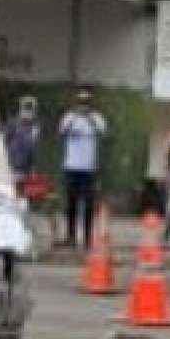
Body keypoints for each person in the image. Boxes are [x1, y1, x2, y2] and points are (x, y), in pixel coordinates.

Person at [56, 89, 110, 249]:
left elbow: (104, 132)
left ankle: (87, 237)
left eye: (86, 103)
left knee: (88, 204)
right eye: (80, 102)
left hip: (89, 168)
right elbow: (62, 132)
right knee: (71, 202)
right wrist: (74, 117)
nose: (83, 106)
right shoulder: (69, 117)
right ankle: (71, 236)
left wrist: (90, 118)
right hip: (72, 166)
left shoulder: (96, 118)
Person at [3, 96, 42, 184]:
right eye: (26, 107)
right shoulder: (13, 123)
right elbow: (4, 139)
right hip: (12, 165)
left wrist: (32, 168)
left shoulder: (35, 125)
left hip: (26, 167)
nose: (29, 111)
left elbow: (33, 147)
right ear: (21, 108)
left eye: (31, 108)